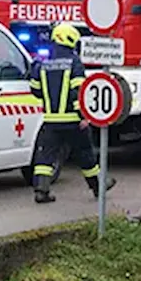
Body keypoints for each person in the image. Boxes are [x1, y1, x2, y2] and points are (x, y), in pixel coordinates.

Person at [28, 23, 113, 204]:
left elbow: (35, 90)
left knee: (45, 157)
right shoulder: (74, 62)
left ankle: (41, 190)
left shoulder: (42, 62)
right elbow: (78, 92)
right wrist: (84, 115)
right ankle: (98, 186)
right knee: (85, 153)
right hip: (73, 120)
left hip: (50, 121)